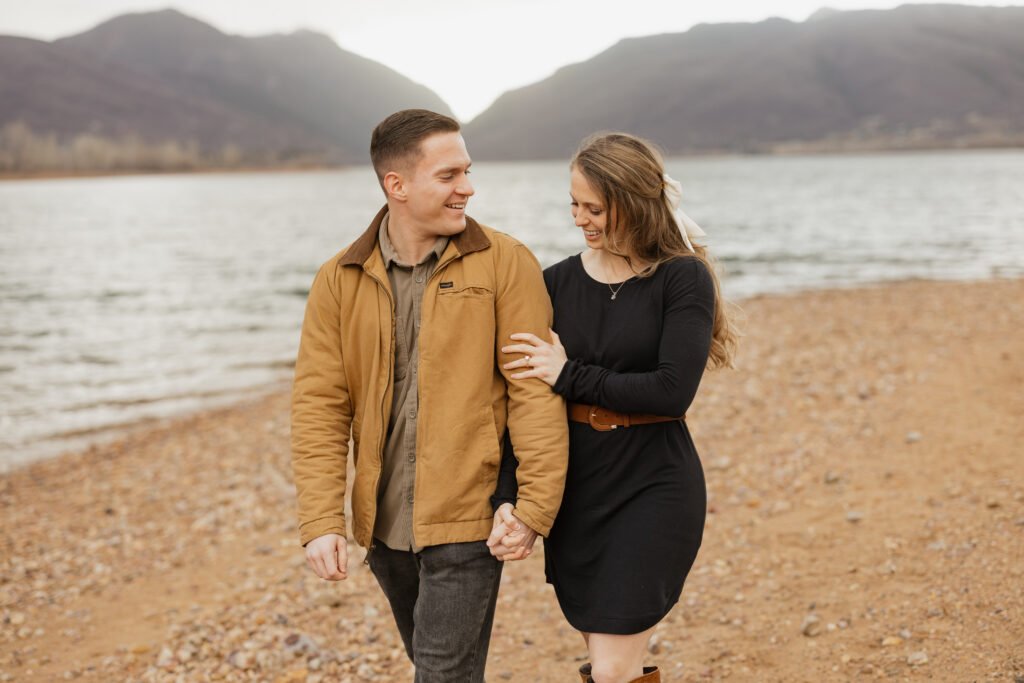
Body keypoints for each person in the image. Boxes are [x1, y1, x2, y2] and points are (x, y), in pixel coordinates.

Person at [291, 108, 569, 682]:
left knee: (441, 674)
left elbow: (532, 390)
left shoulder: (506, 263)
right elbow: (321, 405)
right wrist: (322, 519)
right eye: (448, 175)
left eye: (466, 171)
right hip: (384, 525)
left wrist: (536, 506)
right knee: (439, 667)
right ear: (397, 185)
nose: (466, 187)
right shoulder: (338, 279)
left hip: (470, 517)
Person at [487, 132, 737, 683]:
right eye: (574, 204)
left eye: (594, 207)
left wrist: (569, 373)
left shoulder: (681, 277)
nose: (580, 218)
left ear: (633, 203)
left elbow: (673, 391)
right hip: (578, 492)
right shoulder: (552, 283)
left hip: (654, 485)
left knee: (611, 668)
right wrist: (510, 495)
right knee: (610, 655)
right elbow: (525, 406)